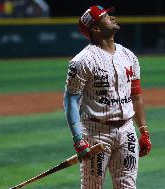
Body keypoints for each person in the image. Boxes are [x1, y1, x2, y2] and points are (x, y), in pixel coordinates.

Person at [63, 5, 152, 189]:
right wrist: (78, 139)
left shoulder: (129, 56)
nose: (111, 17)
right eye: (105, 16)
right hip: (96, 134)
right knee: (92, 187)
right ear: (95, 29)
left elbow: (136, 96)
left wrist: (143, 130)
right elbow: (70, 99)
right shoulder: (82, 61)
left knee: (127, 186)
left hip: (127, 132)